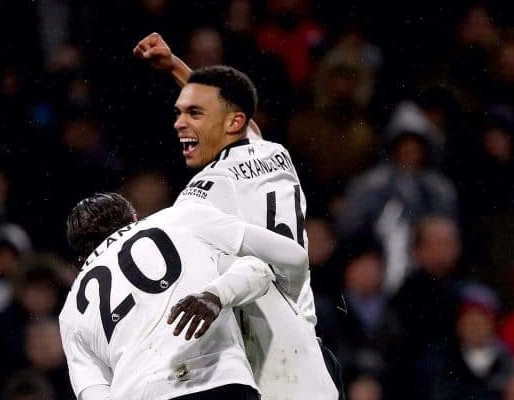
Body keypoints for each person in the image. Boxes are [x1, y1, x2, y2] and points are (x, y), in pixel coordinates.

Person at [133, 32, 342, 399]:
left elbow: (176, 236)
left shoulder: (208, 186)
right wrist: (174, 66)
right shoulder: (274, 152)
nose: (182, 125)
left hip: (272, 356)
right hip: (311, 347)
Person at [59, 192, 311, 400]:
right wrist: (217, 295)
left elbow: (94, 394)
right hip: (215, 380)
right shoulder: (179, 217)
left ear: (80, 258)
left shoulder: (70, 312)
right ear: (136, 218)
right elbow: (291, 257)